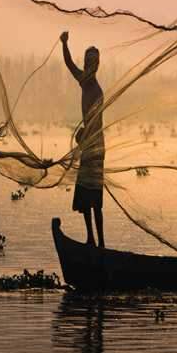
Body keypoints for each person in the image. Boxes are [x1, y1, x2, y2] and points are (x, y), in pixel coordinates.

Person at [60, 30, 105, 248]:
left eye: (93, 61)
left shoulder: (94, 86)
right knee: (87, 195)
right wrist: (65, 43)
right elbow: (69, 63)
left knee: (95, 197)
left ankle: (100, 244)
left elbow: (97, 122)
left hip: (96, 145)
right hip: (89, 143)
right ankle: (91, 240)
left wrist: (85, 136)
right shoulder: (85, 82)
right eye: (88, 60)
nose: (90, 64)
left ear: (97, 64)